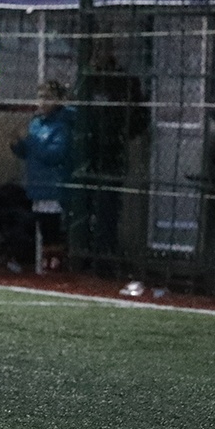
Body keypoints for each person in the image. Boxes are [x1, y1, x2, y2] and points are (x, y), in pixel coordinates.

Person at [83, 39, 149, 276]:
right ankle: (85, 255)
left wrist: (119, 134)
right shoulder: (87, 79)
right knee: (84, 205)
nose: (99, 55)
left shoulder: (124, 82)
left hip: (112, 154)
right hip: (86, 154)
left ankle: (104, 257)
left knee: (107, 208)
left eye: (104, 49)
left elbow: (140, 117)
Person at [10, 80, 76, 273]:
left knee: (52, 228)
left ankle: (55, 266)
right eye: (40, 97)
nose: (42, 102)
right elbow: (28, 153)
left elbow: (55, 154)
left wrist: (31, 141)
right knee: (40, 227)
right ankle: (42, 263)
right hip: (36, 186)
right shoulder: (36, 123)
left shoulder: (62, 125)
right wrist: (17, 143)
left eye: (48, 97)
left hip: (53, 186)